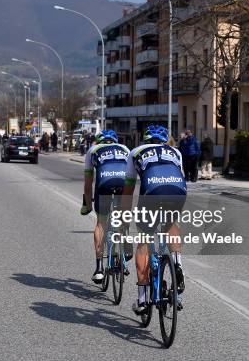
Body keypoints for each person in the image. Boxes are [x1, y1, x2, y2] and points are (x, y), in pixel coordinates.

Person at [123, 125, 187, 314]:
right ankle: (177, 266)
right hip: (178, 192)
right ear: (165, 140)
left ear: (145, 139)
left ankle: (142, 299)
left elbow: (128, 191)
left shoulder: (135, 152)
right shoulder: (176, 152)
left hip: (152, 193)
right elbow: (178, 178)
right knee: (171, 226)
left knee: (144, 239)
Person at [80, 130, 131, 284]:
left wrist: (88, 204)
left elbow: (88, 183)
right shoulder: (125, 149)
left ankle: (99, 268)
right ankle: (125, 253)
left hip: (104, 185)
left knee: (101, 223)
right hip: (123, 184)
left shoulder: (93, 150)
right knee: (123, 217)